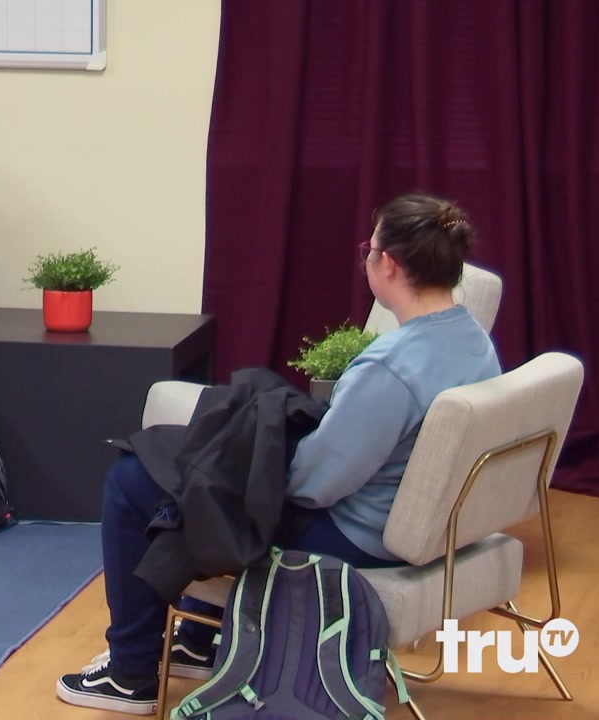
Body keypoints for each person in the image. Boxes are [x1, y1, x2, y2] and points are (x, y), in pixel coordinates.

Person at [55, 192, 503, 715]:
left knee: (136, 477)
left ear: (389, 264)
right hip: (405, 522)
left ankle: (130, 673)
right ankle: (199, 639)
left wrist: (244, 459)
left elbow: (313, 485)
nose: (365, 258)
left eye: (369, 248)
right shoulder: (471, 338)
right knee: (199, 465)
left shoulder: (391, 369)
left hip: (352, 533)